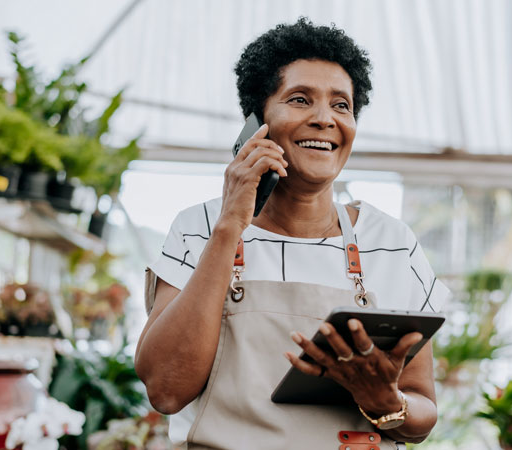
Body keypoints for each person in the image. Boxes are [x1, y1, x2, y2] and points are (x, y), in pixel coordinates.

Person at [135, 18, 450, 449]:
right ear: (256, 121)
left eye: (342, 105)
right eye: (300, 100)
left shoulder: (393, 243)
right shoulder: (199, 229)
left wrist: (386, 403)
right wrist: (230, 226)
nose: (325, 119)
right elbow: (166, 389)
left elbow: (423, 412)